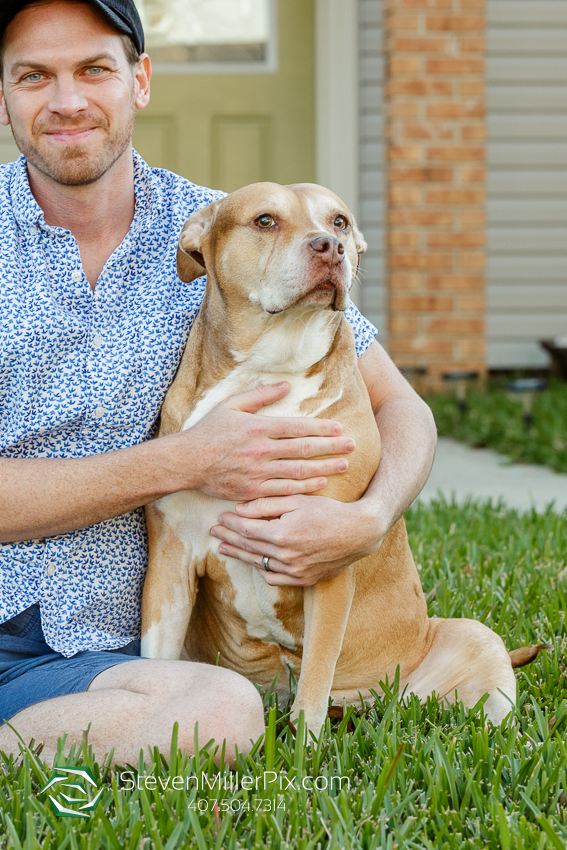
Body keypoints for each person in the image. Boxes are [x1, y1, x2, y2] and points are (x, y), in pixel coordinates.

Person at [0, 0, 437, 766]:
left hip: (96, 657)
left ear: (138, 79)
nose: (67, 100)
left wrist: (368, 519)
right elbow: (185, 465)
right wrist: (186, 461)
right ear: (4, 94)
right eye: (34, 76)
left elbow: (399, 403)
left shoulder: (231, 233)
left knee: (221, 712)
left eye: (93, 70)